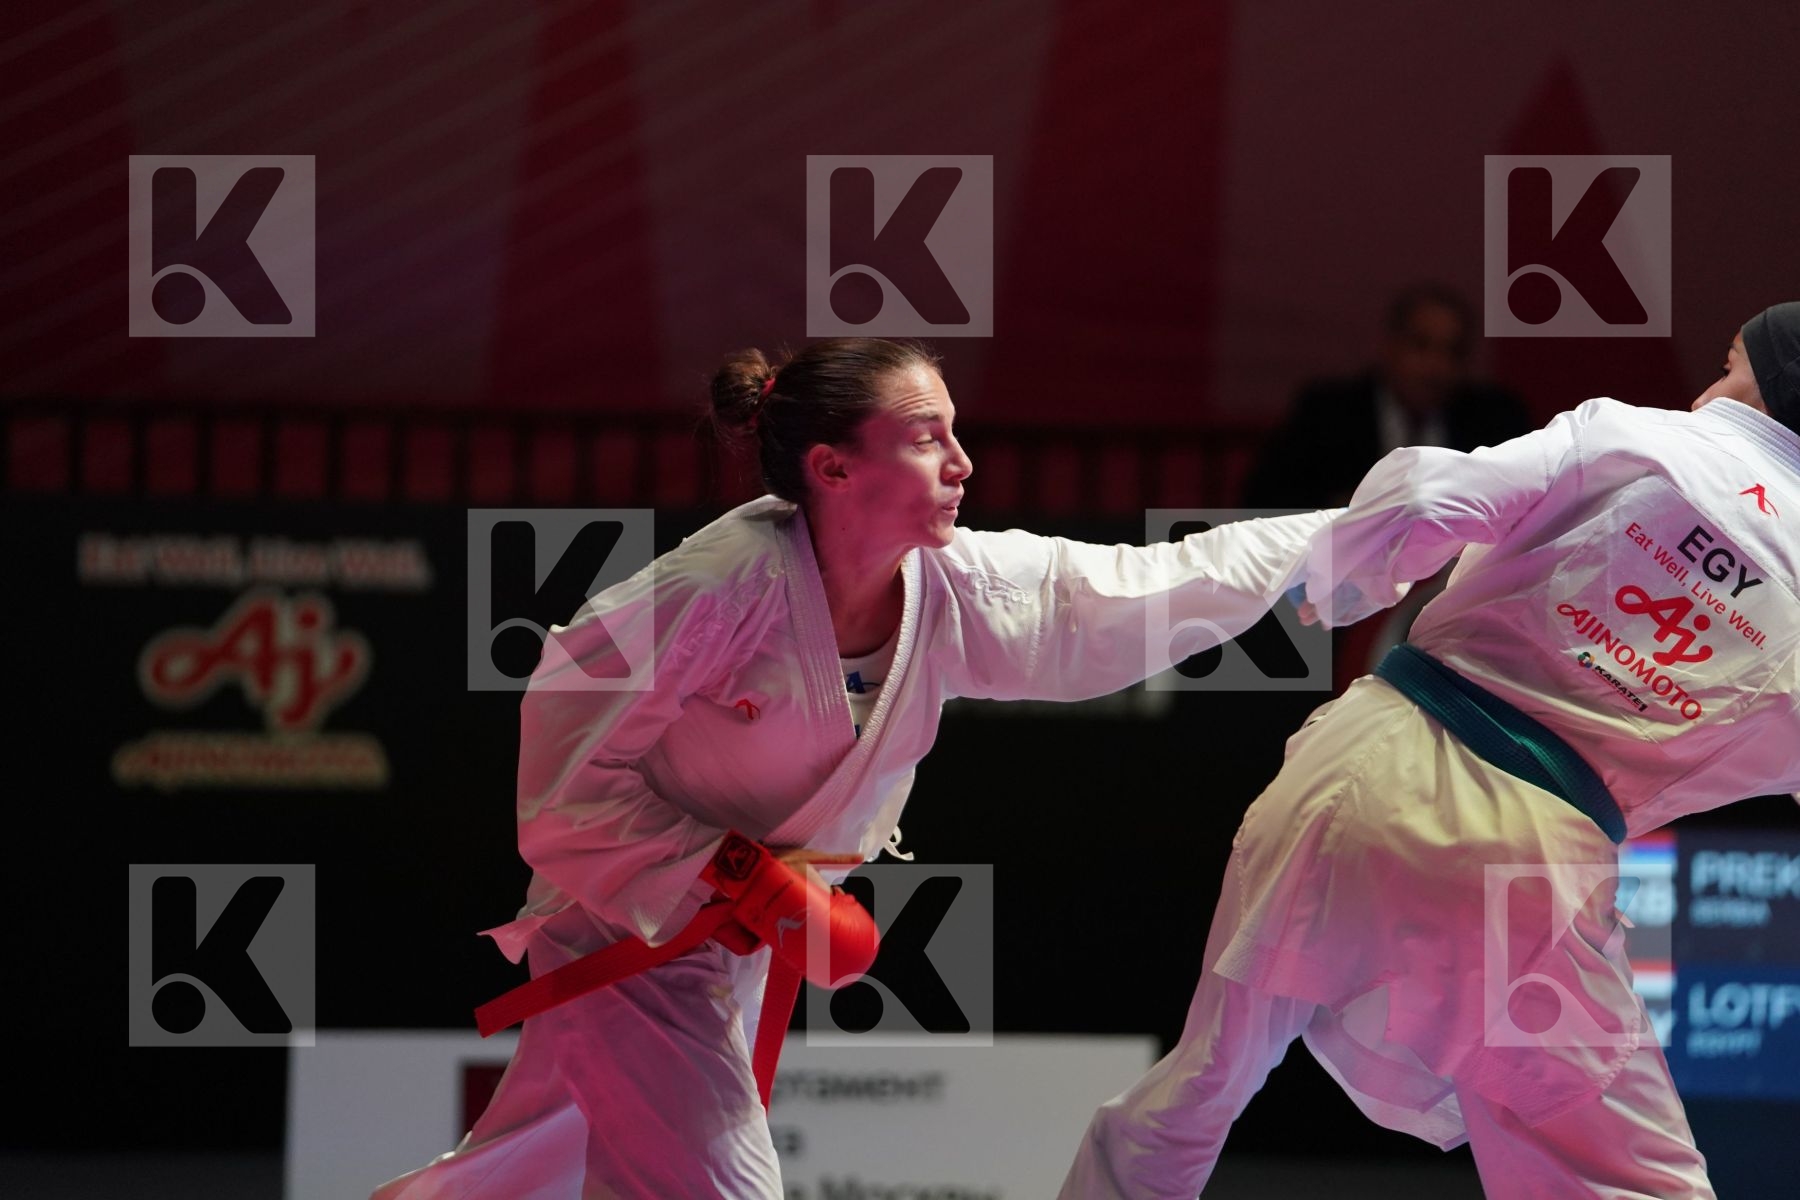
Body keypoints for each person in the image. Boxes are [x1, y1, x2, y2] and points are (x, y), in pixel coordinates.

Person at [370, 337, 1339, 1199]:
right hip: (620, 937)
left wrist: (1342, 535)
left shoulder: (952, 585)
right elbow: (564, 789)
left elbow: (1139, 587)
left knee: (522, 1171)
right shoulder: (711, 590)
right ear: (832, 467)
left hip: (731, 946)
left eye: (953, 432)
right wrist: (739, 876)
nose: (961, 462)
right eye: (925, 438)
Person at [1059, 302, 1800, 1199]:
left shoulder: (1629, 434)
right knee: (1629, 1180)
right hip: (1524, 864)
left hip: (1363, 759)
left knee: (1201, 1081)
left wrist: (1349, 577)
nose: (1707, 387)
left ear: (1770, 381)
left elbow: (1426, 496)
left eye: (1727, 365)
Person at [1242, 283, 1531, 510]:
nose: (1436, 366)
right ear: (1389, 346)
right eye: (1421, 345)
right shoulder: (1327, 414)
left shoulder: (1494, 421)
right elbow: (1265, 501)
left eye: (1452, 352)